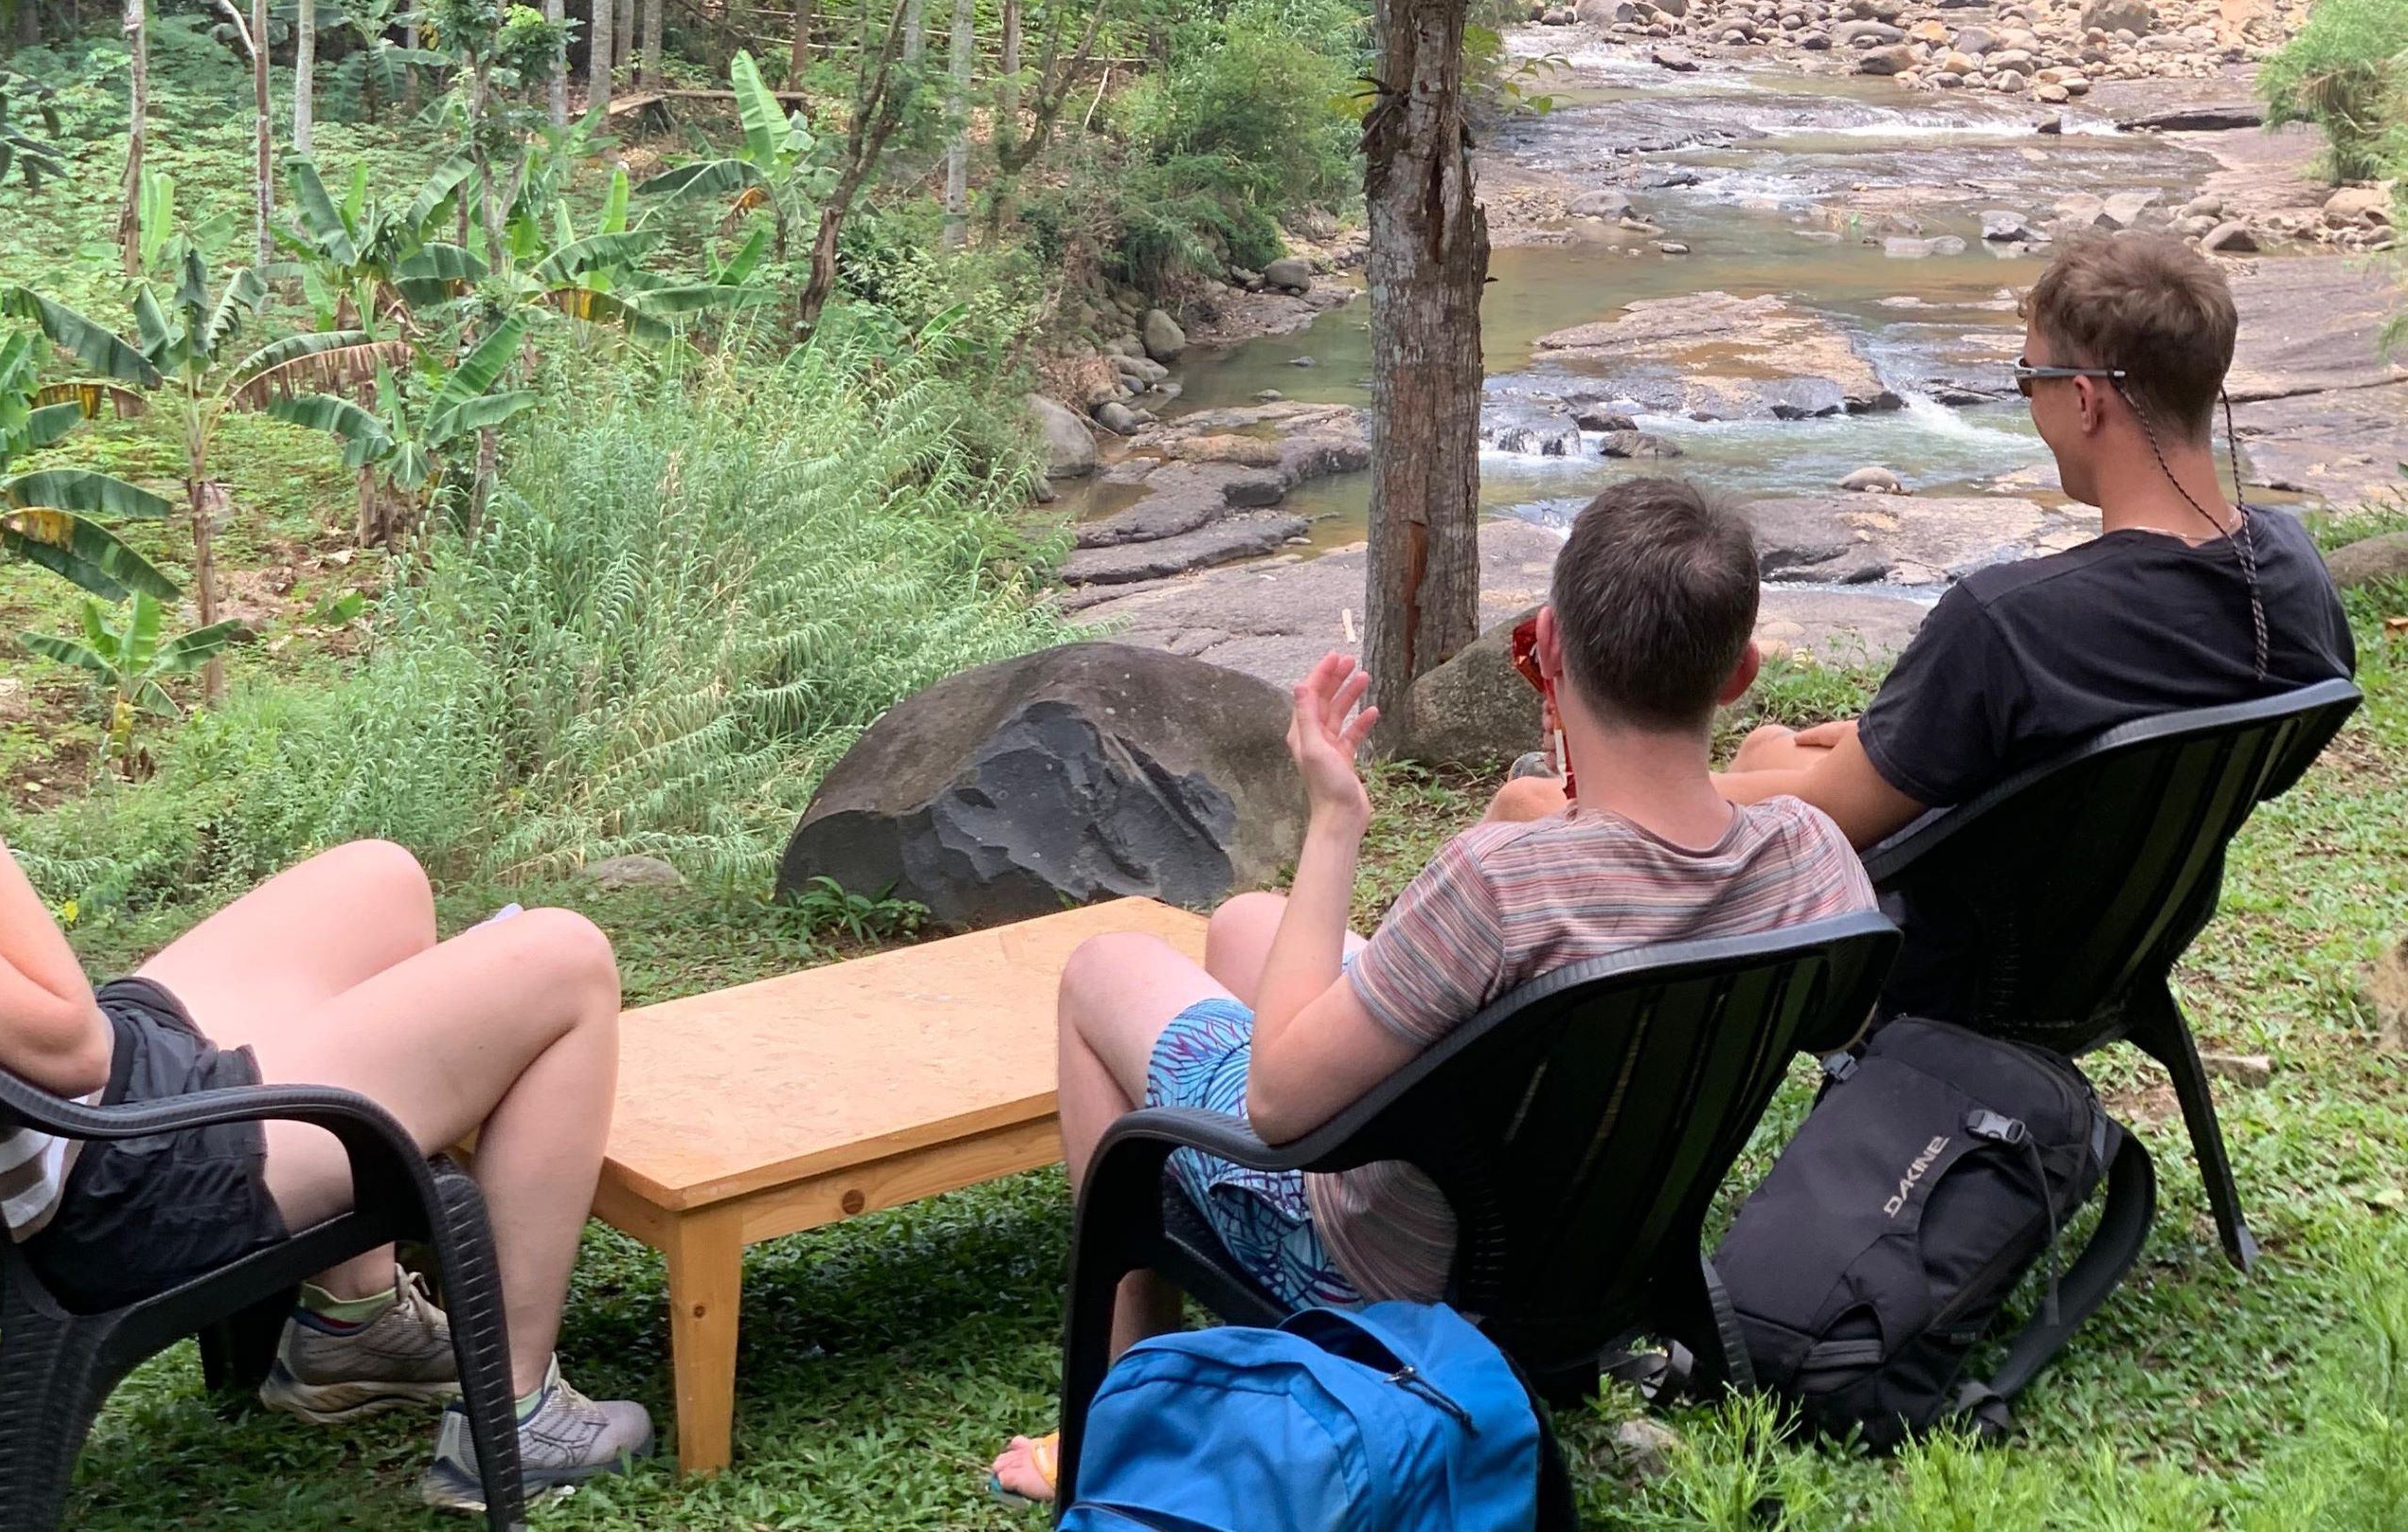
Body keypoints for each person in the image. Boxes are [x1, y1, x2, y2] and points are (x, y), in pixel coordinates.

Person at [0, 503, 648, 1512]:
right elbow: (71, 1049)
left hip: (81, 1128)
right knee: (565, 959)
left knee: (379, 879)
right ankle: (519, 1416)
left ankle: (353, 1328)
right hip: (122, 1186)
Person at [991, 478, 1877, 1502]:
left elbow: (1276, 1104)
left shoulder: (1500, 883)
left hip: (1394, 1274)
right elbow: (1840, 1016)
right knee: (1245, 925)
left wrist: (1334, 818)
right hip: (1609, 1249)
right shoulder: (1808, 853)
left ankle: (1124, 1420)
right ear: (1740, 674)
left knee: (1102, 969)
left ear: (1549, 647)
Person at [1492, 232, 2354, 1014]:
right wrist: (1920, 749)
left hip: (1950, 960)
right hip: (2119, 938)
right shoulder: (2291, 571)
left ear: (2084, 400)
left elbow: (1833, 816)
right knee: (1772, 747)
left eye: (2026, 379)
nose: (2027, 402)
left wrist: (1582, 794)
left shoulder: (2007, 621)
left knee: (1536, 801)